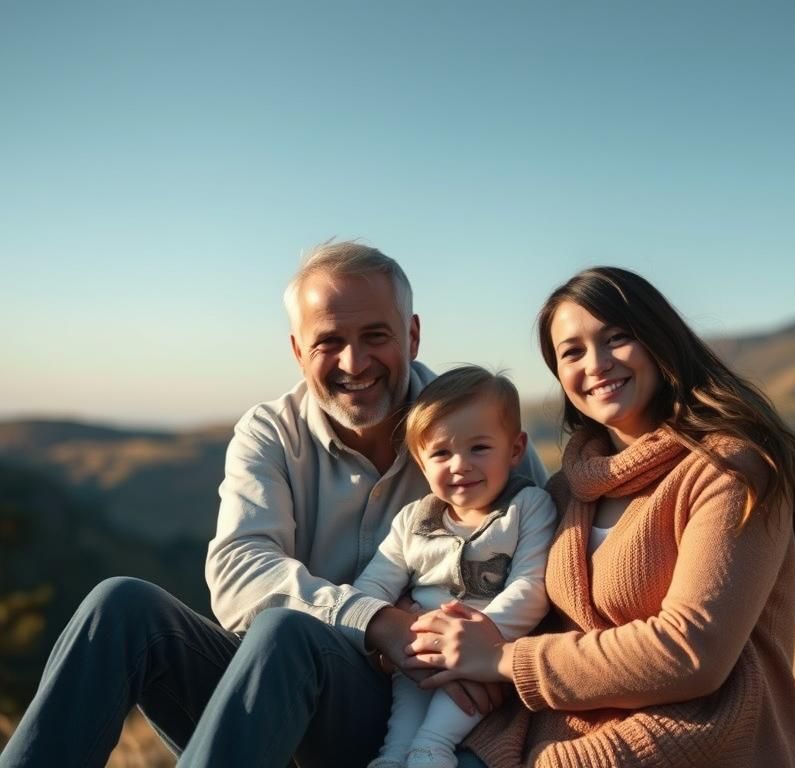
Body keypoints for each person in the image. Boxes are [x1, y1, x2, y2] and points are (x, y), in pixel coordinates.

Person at [0, 241, 547, 768]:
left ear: (412, 334)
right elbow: (239, 571)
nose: (354, 361)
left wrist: (495, 659)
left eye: (375, 335)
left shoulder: (482, 433)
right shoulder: (270, 432)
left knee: (287, 629)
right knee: (119, 607)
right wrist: (376, 620)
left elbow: (553, 580)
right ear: (296, 350)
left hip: (412, 714)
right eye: (329, 341)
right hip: (260, 699)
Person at [404, 267, 795, 767]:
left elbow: (690, 652)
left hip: (704, 745)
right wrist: (429, 630)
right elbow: (520, 606)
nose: (597, 364)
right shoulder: (568, 490)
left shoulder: (728, 471)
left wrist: (500, 659)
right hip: (553, 740)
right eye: (572, 352)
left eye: (617, 338)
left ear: (659, 342)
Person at [355, 366, 556, 768]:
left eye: (479, 448)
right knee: (401, 727)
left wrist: (476, 642)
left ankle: (432, 749)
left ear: (515, 450)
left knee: (433, 734)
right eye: (442, 453)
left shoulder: (527, 507)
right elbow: (372, 585)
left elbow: (531, 587)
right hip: (420, 652)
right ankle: (395, 758)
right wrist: (395, 628)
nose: (460, 465)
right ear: (421, 462)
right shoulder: (414, 521)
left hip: (486, 655)